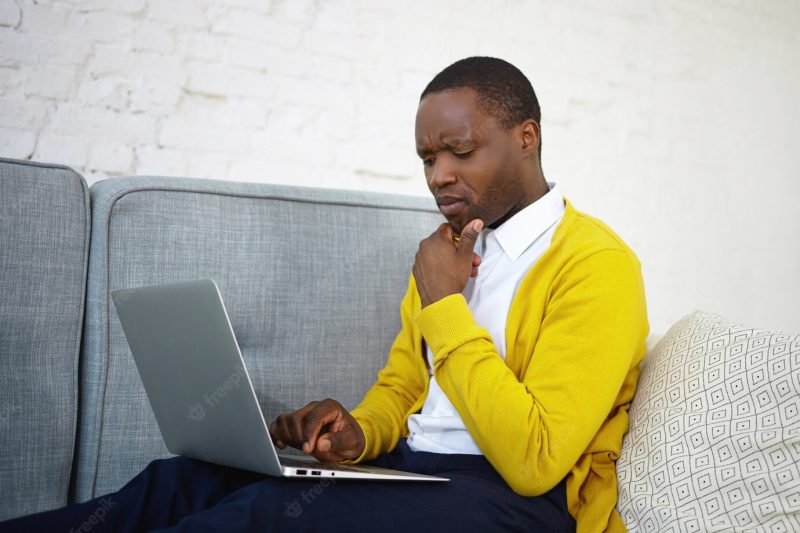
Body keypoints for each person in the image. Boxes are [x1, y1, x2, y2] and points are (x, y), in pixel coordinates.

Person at [0, 57, 647, 533]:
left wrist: (445, 306)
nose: (439, 175)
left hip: (511, 502)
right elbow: (403, 390)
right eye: (427, 158)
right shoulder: (447, 250)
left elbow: (535, 459)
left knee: (261, 516)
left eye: (460, 150)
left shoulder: (598, 265)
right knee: (182, 480)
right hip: (413, 467)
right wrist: (358, 434)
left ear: (526, 138)